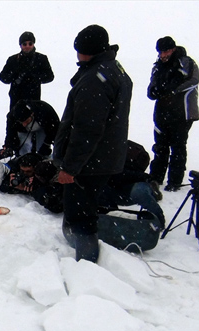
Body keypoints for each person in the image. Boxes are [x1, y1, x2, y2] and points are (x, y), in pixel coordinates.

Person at [53, 24, 133, 263]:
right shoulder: (114, 69)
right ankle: (81, 250)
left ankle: (86, 266)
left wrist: (70, 168)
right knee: (83, 210)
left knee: (81, 215)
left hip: (90, 162)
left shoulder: (96, 79)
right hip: (105, 155)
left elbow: (87, 129)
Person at [147, 36, 199, 192]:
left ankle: (175, 181)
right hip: (162, 113)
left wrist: (172, 90)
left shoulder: (186, 62)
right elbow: (151, 87)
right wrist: (155, 91)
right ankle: (156, 178)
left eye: (166, 51)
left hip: (182, 113)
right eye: (161, 52)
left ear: (173, 49)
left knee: (178, 146)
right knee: (160, 147)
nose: (163, 55)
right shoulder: (157, 67)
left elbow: (193, 81)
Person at [0, 31, 54, 110]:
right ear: (20, 45)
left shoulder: (41, 59)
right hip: (16, 100)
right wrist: (14, 76)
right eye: (24, 44)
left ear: (33, 44)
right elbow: (2, 77)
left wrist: (35, 77)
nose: (27, 46)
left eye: (30, 43)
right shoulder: (13, 60)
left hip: (34, 100)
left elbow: (50, 76)